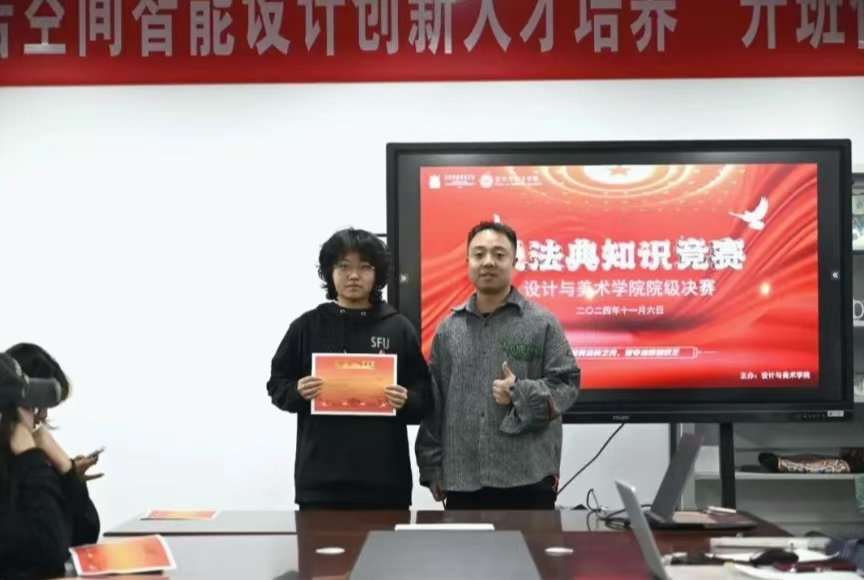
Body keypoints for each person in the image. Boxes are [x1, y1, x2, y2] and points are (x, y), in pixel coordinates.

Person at [416, 220, 581, 510]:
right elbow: (434, 404)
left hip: (528, 478)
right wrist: (431, 466)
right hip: (463, 478)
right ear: (467, 262)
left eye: (499, 254)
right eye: (479, 254)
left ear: (515, 261)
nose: (488, 262)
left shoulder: (542, 323)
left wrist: (520, 392)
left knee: (531, 543)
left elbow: (566, 385)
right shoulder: (448, 330)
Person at [267, 228, 432, 510]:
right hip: (320, 483)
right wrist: (296, 391)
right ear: (329, 272)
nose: (354, 275)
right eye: (344, 266)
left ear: (377, 274)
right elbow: (277, 384)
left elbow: (425, 394)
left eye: (364, 267)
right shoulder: (307, 326)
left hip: (386, 482)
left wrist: (407, 399)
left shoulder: (398, 327)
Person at [0, 344, 101, 580]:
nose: (43, 415)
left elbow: (84, 536)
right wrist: (30, 459)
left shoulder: (30, 463)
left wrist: (66, 470)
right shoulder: (19, 466)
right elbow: (49, 553)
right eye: (34, 404)